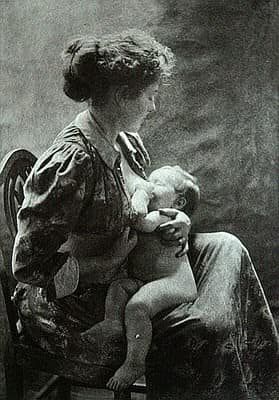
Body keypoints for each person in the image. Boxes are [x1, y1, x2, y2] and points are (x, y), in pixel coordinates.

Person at [12, 30, 279, 399]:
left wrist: (179, 220)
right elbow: (27, 266)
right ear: (122, 96)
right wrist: (106, 262)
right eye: (150, 96)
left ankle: (257, 389)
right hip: (84, 301)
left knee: (228, 248)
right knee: (207, 324)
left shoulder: (123, 140)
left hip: (135, 266)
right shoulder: (71, 162)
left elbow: (146, 202)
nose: (154, 107)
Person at [102, 164, 199, 391]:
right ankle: (112, 324)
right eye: (149, 181)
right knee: (119, 287)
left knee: (137, 306)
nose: (149, 186)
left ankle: (134, 363)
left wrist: (141, 193)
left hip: (174, 282)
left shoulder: (166, 215)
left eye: (158, 184)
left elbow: (139, 221)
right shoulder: (165, 212)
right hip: (148, 279)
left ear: (178, 201)